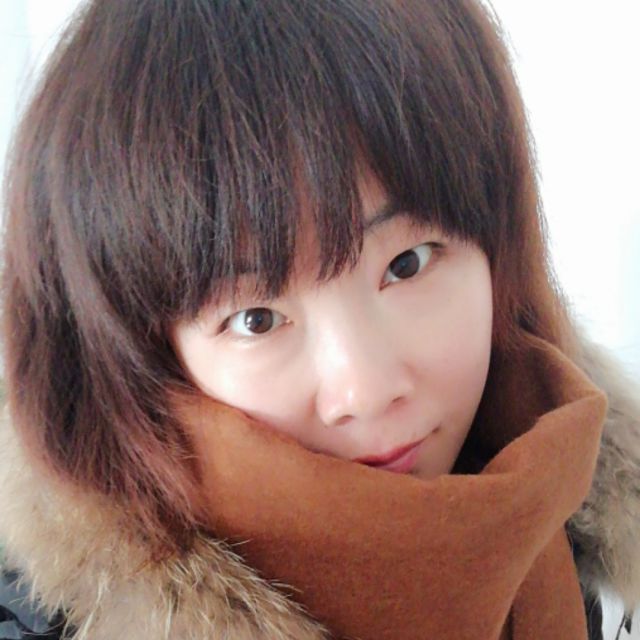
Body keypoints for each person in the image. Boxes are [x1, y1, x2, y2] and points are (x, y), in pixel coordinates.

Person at [0, 1, 638, 638]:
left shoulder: (554, 506)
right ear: (142, 358)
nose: (366, 389)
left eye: (408, 264)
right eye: (255, 319)